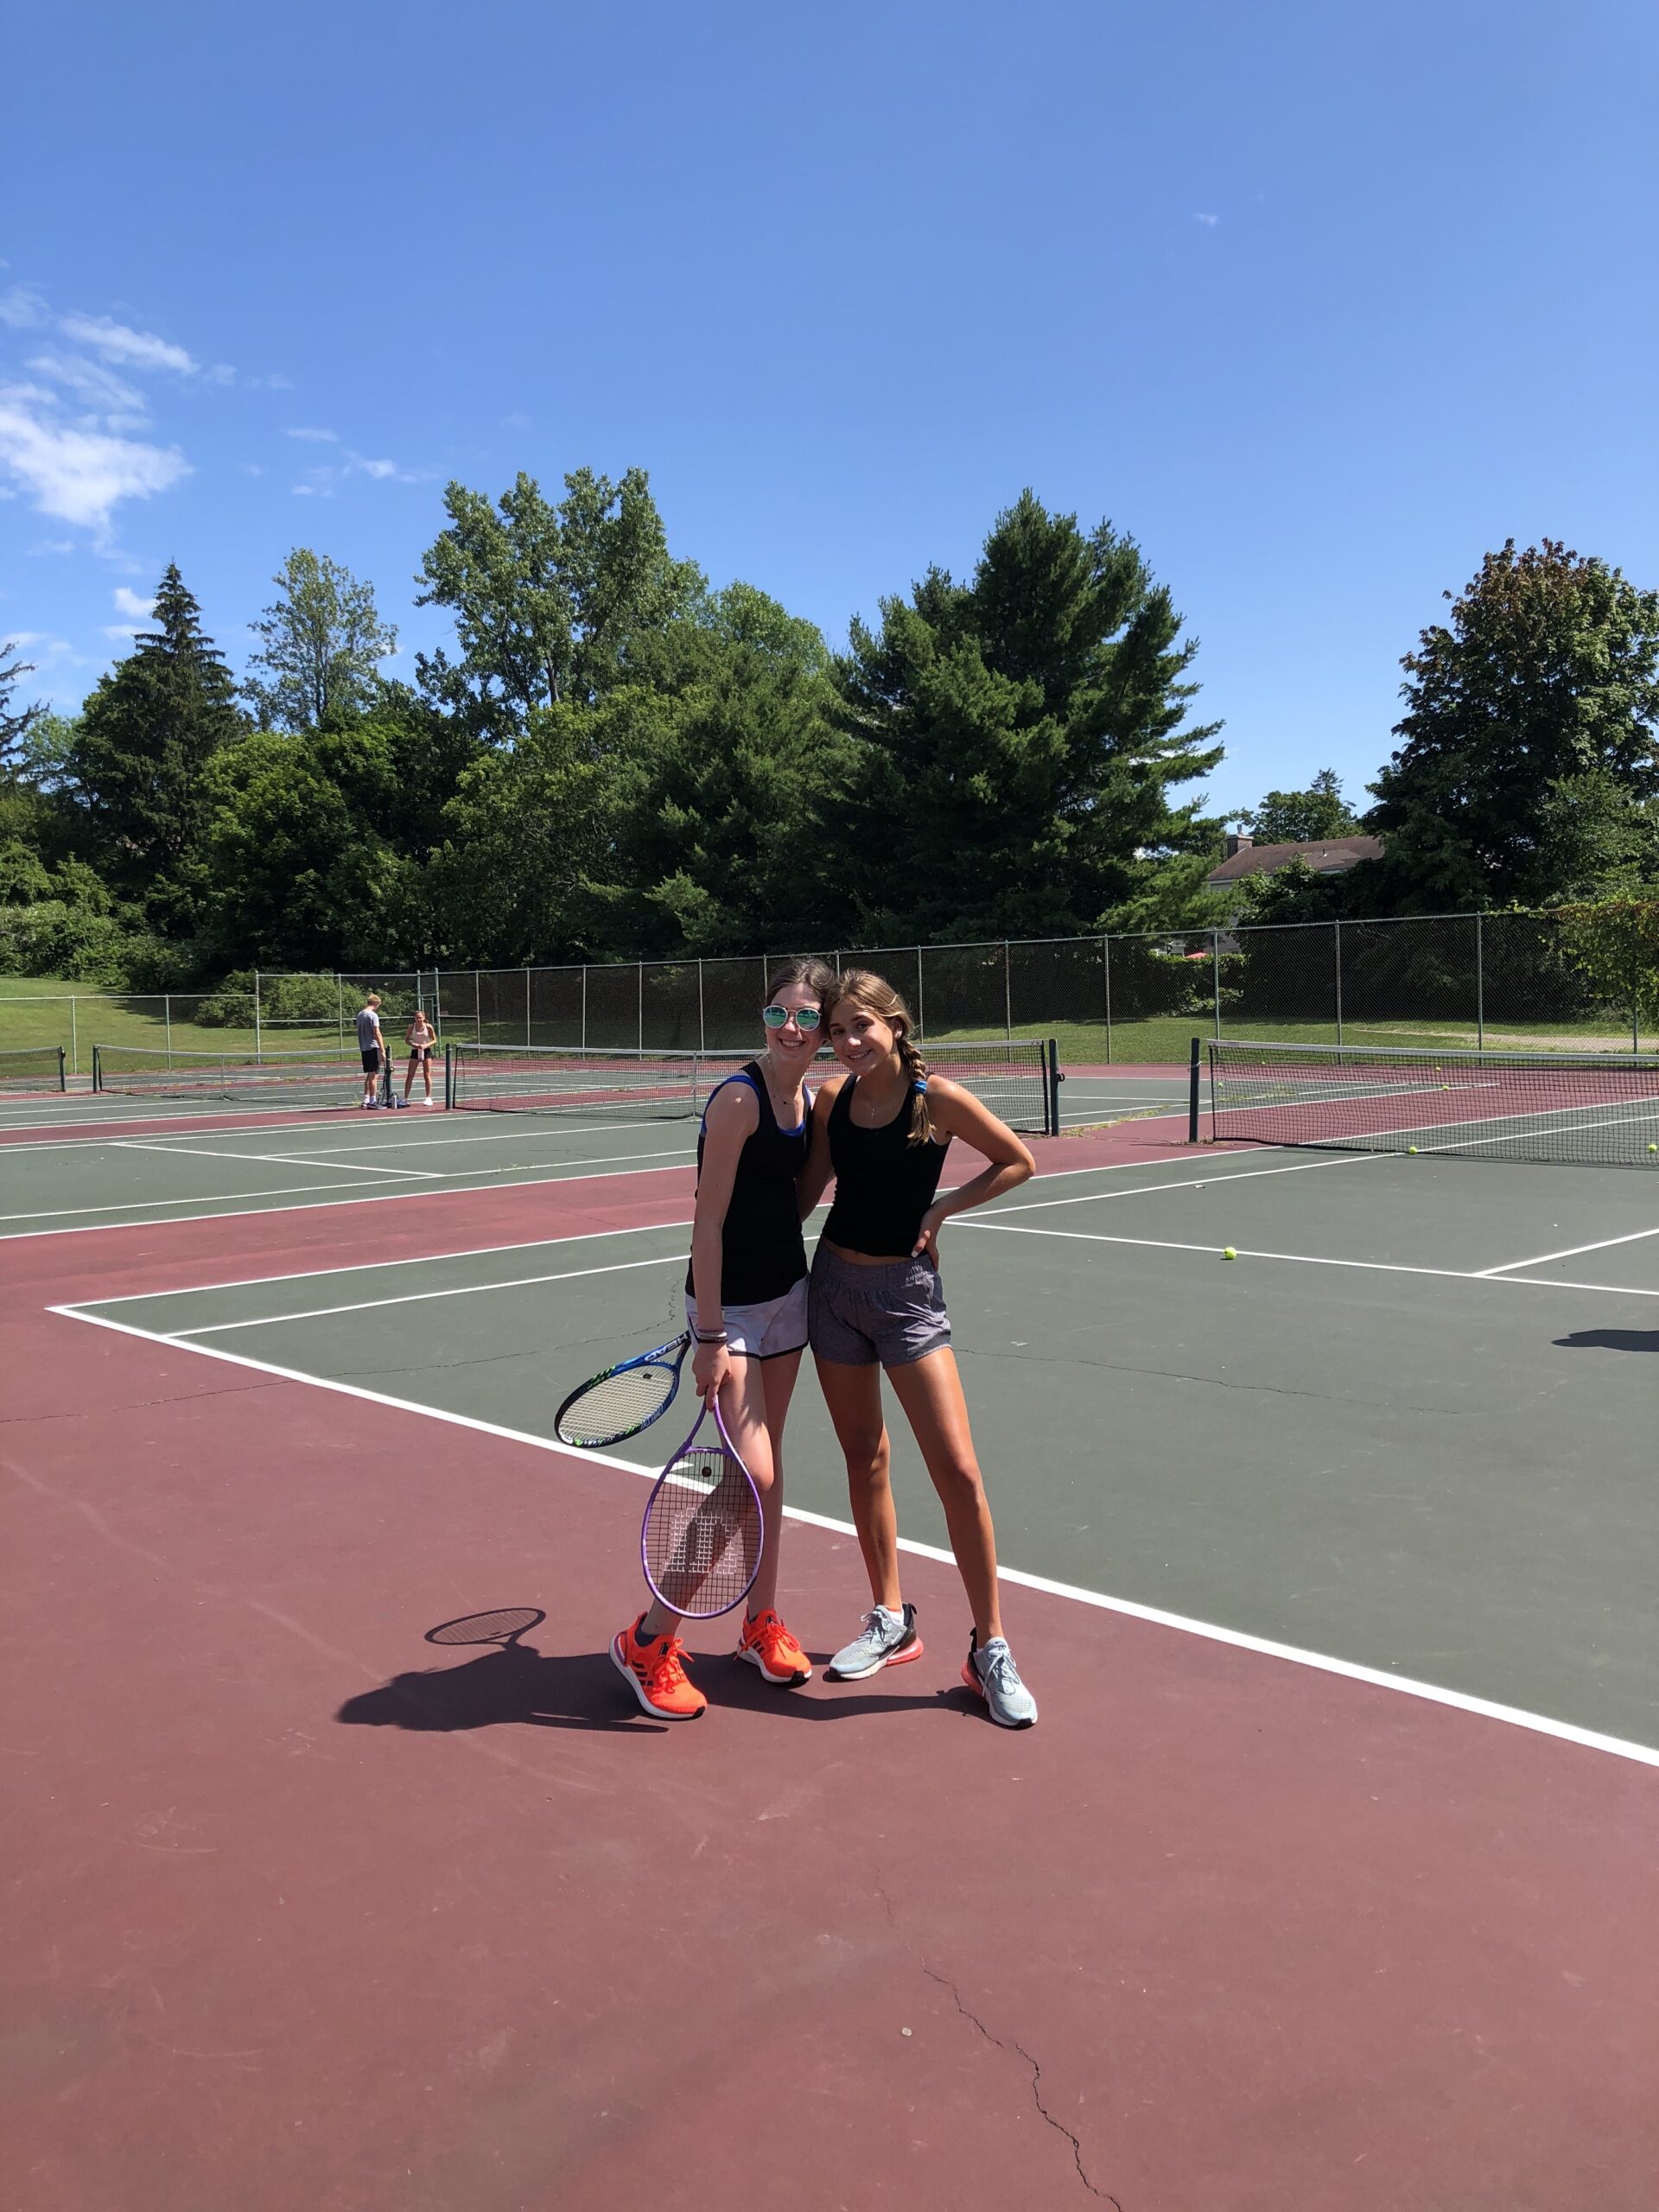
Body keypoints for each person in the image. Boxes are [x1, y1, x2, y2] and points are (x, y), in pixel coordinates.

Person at [799, 969, 1040, 1728]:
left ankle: (990, 1648)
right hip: (833, 1291)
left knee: (958, 1472)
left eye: (859, 1026)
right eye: (835, 1031)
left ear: (894, 1025)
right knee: (863, 1459)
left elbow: (1016, 1160)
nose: (847, 1043)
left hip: (906, 1300)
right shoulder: (833, 1101)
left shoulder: (935, 1101)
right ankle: (889, 1617)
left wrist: (943, 1209)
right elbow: (806, 1193)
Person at [611, 958, 836, 1721]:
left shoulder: (807, 1096)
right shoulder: (739, 1098)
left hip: (787, 1300)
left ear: (825, 1028)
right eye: (780, 1013)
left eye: (807, 1016)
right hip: (730, 1312)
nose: (792, 1027)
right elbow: (706, 1222)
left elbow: (793, 1203)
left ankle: (758, 1624)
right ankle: (648, 1640)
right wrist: (709, 1332)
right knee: (752, 1477)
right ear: (763, 1019)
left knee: (769, 1471)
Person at [355, 994, 387, 1109]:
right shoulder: (373, 1015)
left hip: (364, 1048)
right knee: (374, 1075)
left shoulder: (360, 1015)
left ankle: (366, 1099)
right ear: (375, 1003)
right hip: (373, 1047)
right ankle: (372, 1101)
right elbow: (377, 1033)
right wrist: (382, 1050)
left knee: (369, 1074)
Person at [404, 1007, 438, 1106]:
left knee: (427, 1075)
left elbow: (434, 1040)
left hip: (426, 1051)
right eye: (417, 1018)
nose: (419, 1020)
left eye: (420, 1017)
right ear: (414, 1018)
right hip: (415, 1051)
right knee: (410, 1074)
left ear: (424, 1017)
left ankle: (428, 1098)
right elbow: (406, 1040)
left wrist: (426, 1045)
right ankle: (405, 1098)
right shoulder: (411, 1027)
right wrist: (413, 1044)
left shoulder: (428, 1027)